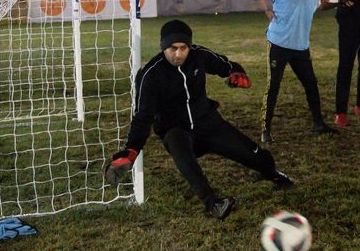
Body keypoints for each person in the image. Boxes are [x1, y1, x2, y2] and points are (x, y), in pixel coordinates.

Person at [102, 20, 293, 219]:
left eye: (183, 48)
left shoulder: (199, 55)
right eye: (172, 48)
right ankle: (212, 204)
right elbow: (143, 117)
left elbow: (225, 65)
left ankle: (271, 174)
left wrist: (236, 72)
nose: (178, 54)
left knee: (257, 156)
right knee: (180, 149)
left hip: (209, 123)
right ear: (163, 47)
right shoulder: (150, 75)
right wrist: (131, 150)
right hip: (176, 129)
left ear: (189, 46)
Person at [249, 0, 337, 143]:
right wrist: (266, 9)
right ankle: (265, 129)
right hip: (278, 44)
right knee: (273, 86)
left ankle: (318, 124)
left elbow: (317, 7)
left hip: (300, 47)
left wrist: (337, 4)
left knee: (311, 85)